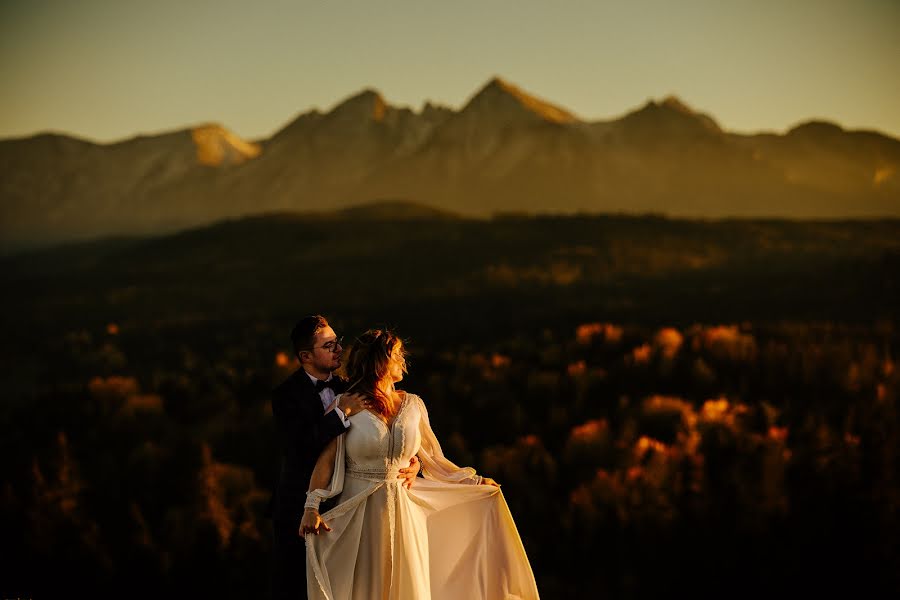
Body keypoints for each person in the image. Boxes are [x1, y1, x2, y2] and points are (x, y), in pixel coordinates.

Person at [300, 329, 540, 600]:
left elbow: (433, 458)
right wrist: (312, 506)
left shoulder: (414, 405)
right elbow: (328, 458)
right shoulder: (345, 404)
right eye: (397, 355)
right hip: (359, 510)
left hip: (404, 510)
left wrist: (471, 482)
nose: (403, 360)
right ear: (380, 361)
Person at [266, 316, 420, 600]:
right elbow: (299, 447)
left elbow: (378, 440)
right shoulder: (285, 395)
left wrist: (412, 463)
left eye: (337, 342)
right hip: (299, 504)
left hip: (350, 504)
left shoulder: (350, 388)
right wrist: (340, 415)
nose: (338, 349)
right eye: (328, 345)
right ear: (306, 356)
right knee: (299, 585)